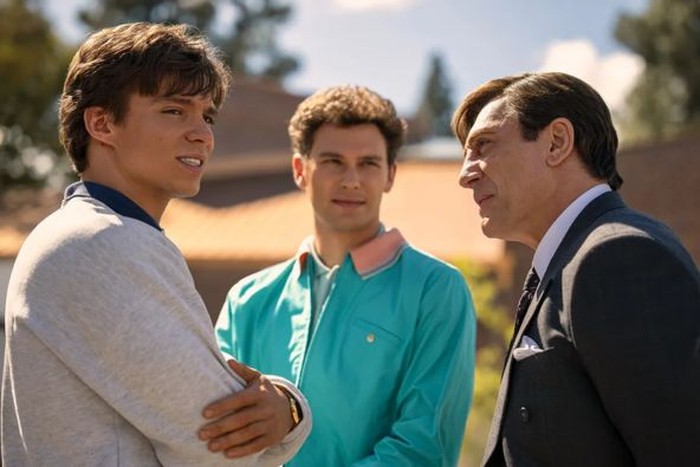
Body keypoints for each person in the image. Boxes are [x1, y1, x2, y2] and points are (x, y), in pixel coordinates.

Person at [1, 21, 311, 466]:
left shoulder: (83, 233)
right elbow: (222, 448)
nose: (203, 134)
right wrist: (293, 409)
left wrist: (284, 408)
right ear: (102, 123)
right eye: (174, 111)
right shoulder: (102, 243)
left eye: (207, 116)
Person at [207, 85, 477, 465]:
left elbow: (423, 449)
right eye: (333, 161)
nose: (351, 179)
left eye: (368, 163)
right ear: (300, 170)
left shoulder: (436, 290)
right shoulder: (248, 300)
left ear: (390, 174)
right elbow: (217, 429)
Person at [452, 71, 700, 467]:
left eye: (484, 145)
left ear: (556, 142)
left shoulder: (619, 257)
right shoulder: (571, 262)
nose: (465, 174)